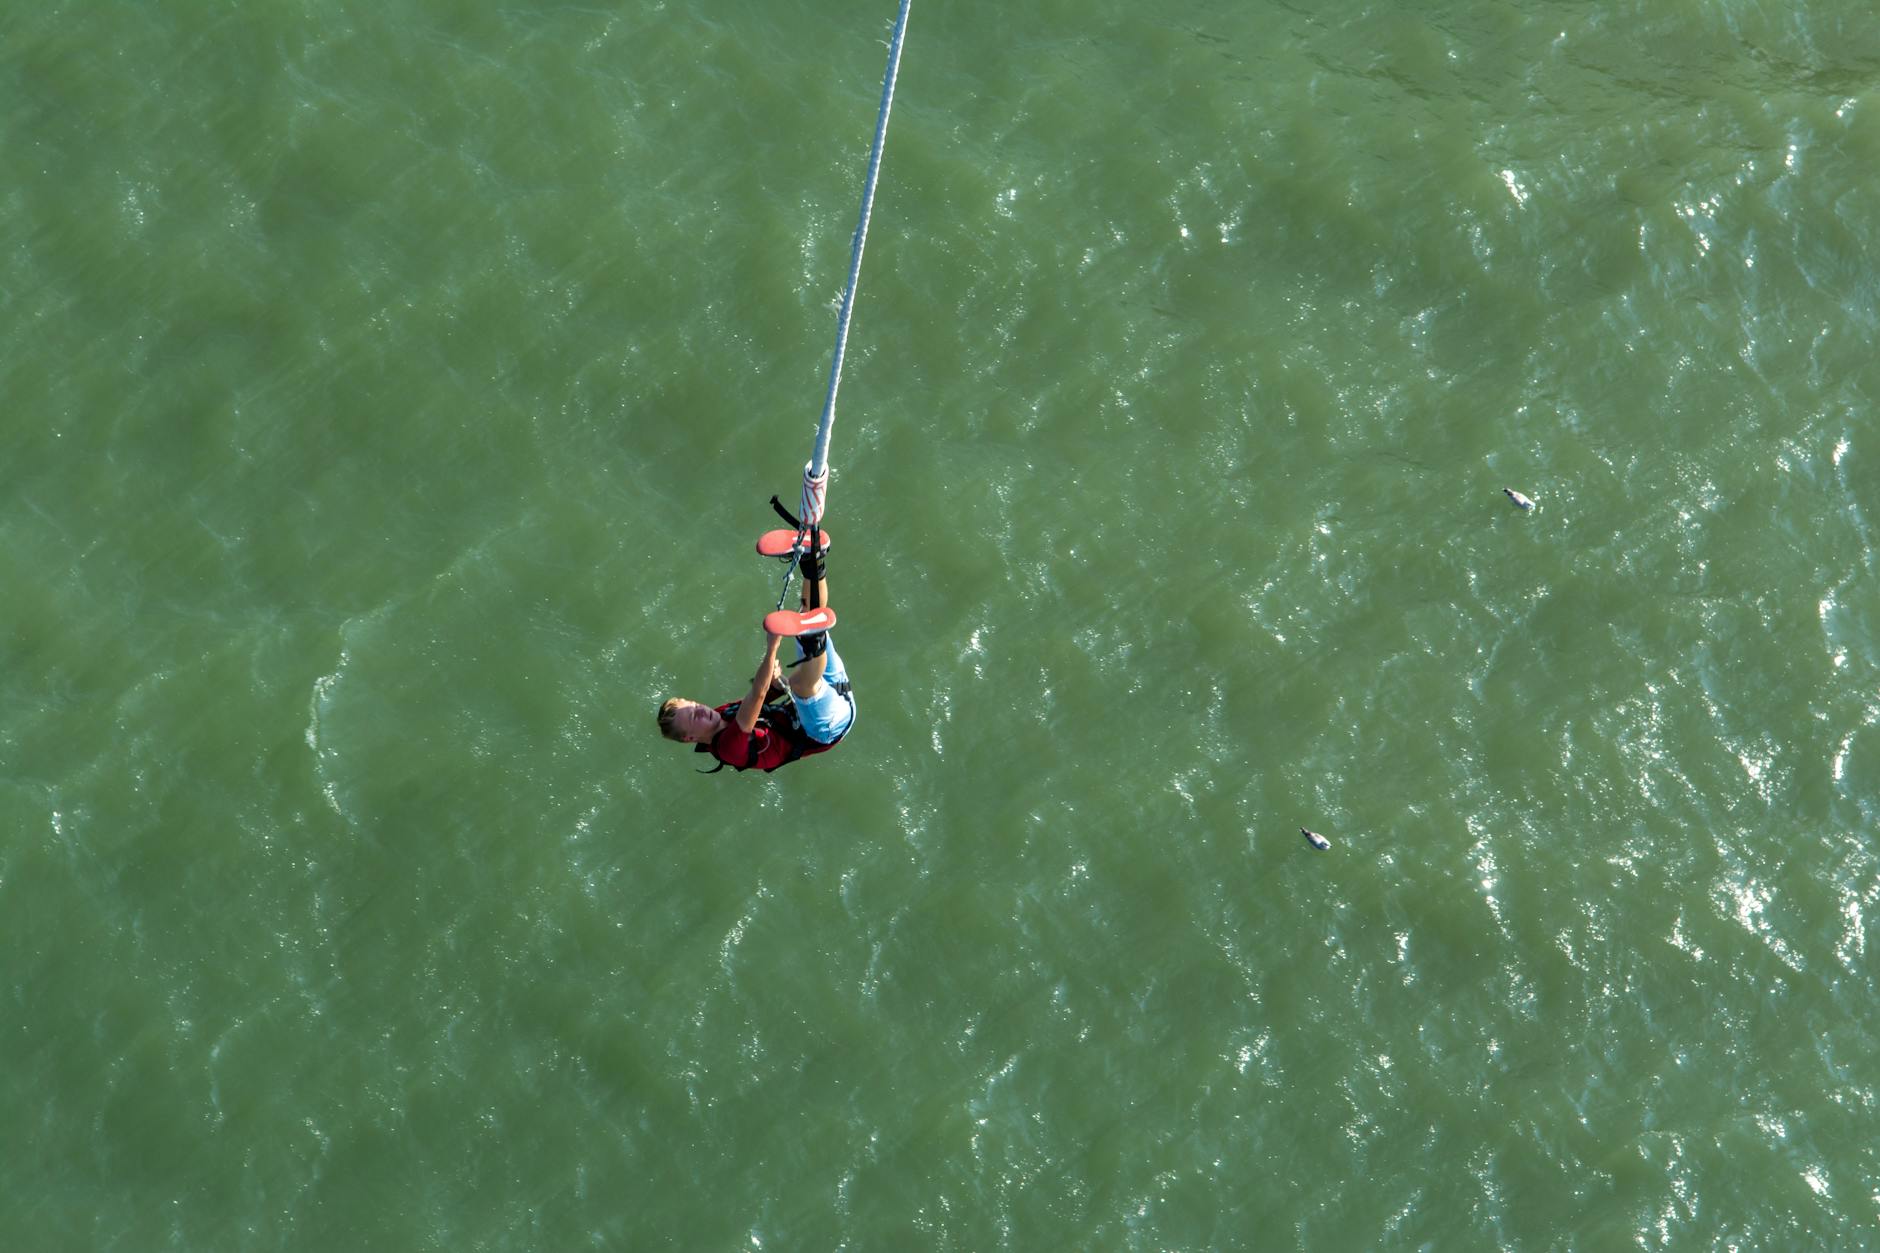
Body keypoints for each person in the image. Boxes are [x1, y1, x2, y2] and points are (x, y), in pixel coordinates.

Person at [657, 539, 855, 772]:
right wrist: (772, 648)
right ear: (690, 738)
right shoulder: (728, 748)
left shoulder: (721, 714)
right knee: (801, 681)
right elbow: (757, 695)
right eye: (693, 717)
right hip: (825, 726)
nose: (700, 709)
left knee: (807, 617)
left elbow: (768, 691)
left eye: (693, 705)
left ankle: (813, 557)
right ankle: (814, 639)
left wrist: (776, 681)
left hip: (833, 688)